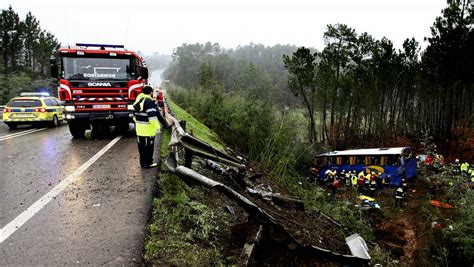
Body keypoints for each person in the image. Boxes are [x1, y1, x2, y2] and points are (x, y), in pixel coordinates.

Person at [133, 85, 164, 168]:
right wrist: (158, 127)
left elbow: (134, 115)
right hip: (148, 131)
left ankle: (143, 163)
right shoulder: (149, 101)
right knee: (149, 148)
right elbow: (152, 118)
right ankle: (148, 163)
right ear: (150, 92)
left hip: (139, 130)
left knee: (141, 148)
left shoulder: (139, 99)